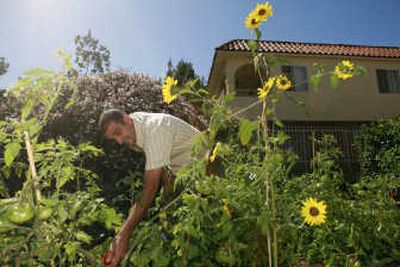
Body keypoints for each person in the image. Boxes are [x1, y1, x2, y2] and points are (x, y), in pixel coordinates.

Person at [99, 109, 203, 267]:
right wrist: (168, 194)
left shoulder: (153, 129)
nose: (119, 141)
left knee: (204, 224)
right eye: (114, 138)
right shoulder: (134, 131)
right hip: (186, 174)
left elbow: (150, 187)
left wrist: (124, 234)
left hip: (210, 164)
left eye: (117, 132)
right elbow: (162, 162)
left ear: (126, 119)